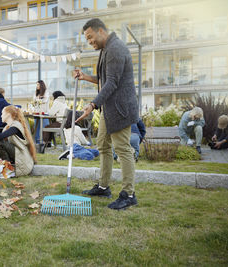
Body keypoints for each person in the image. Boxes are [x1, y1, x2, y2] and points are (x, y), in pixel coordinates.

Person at [73, 18, 139, 210]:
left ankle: (129, 194)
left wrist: (93, 105)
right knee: (102, 145)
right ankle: (103, 186)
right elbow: (103, 79)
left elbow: (111, 83)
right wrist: (86, 77)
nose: (90, 41)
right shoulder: (106, 49)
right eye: (87, 39)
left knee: (123, 149)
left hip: (120, 109)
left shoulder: (115, 48)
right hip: (108, 109)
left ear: (101, 31)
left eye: (90, 37)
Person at [0, 105, 36, 176]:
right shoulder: (8, 127)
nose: (1, 116)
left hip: (21, 157)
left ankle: (8, 168)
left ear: (8, 114)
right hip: (15, 154)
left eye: (2, 113)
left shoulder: (16, 126)